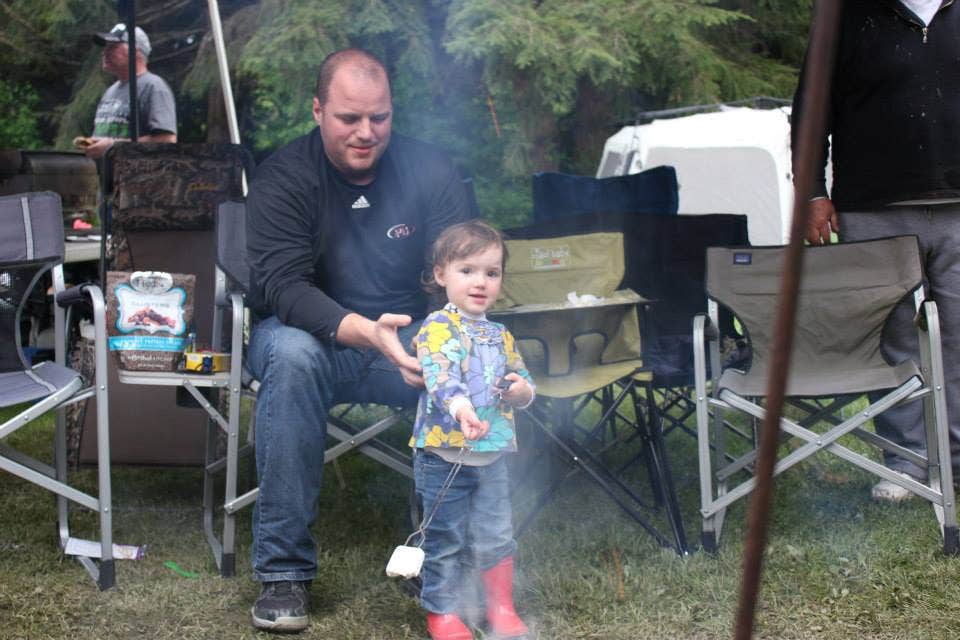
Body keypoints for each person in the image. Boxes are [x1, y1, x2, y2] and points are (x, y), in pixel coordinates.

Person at [245, 48, 474, 632]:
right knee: (291, 358)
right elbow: (283, 288)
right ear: (318, 110)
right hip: (313, 339)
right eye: (349, 118)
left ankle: (437, 557)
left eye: (380, 117)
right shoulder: (285, 176)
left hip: (412, 339)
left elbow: (463, 268)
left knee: (458, 352)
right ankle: (284, 572)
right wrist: (368, 333)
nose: (366, 132)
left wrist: (437, 338)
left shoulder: (431, 171)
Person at [792, 0, 960, 501]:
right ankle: (905, 464)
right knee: (892, 342)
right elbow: (811, 109)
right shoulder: (844, 16)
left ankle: (953, 458)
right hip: (872, 206)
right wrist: (813, 193)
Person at [411, 220, 535, 640]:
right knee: (444, 536)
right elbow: (441, 378)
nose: (480, 282)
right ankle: (442, 612)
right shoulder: (438, 327)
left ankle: (500, 606)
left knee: (497, 533)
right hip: (443, 456)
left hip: (493, 455)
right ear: (441, 274)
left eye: (492, 272)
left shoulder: (502, 335)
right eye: (467, 270)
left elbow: (522, 378)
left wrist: (521, 392)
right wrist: (463, 410)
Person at [81, 22, 177, 159]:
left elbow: (167, 140)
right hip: (105, 176)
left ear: (135, 51)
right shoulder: (110, 91)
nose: (105, 51)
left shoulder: (154, 87)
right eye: (106, 47)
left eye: (113, 46)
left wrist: (113, 147)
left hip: (135, 177)